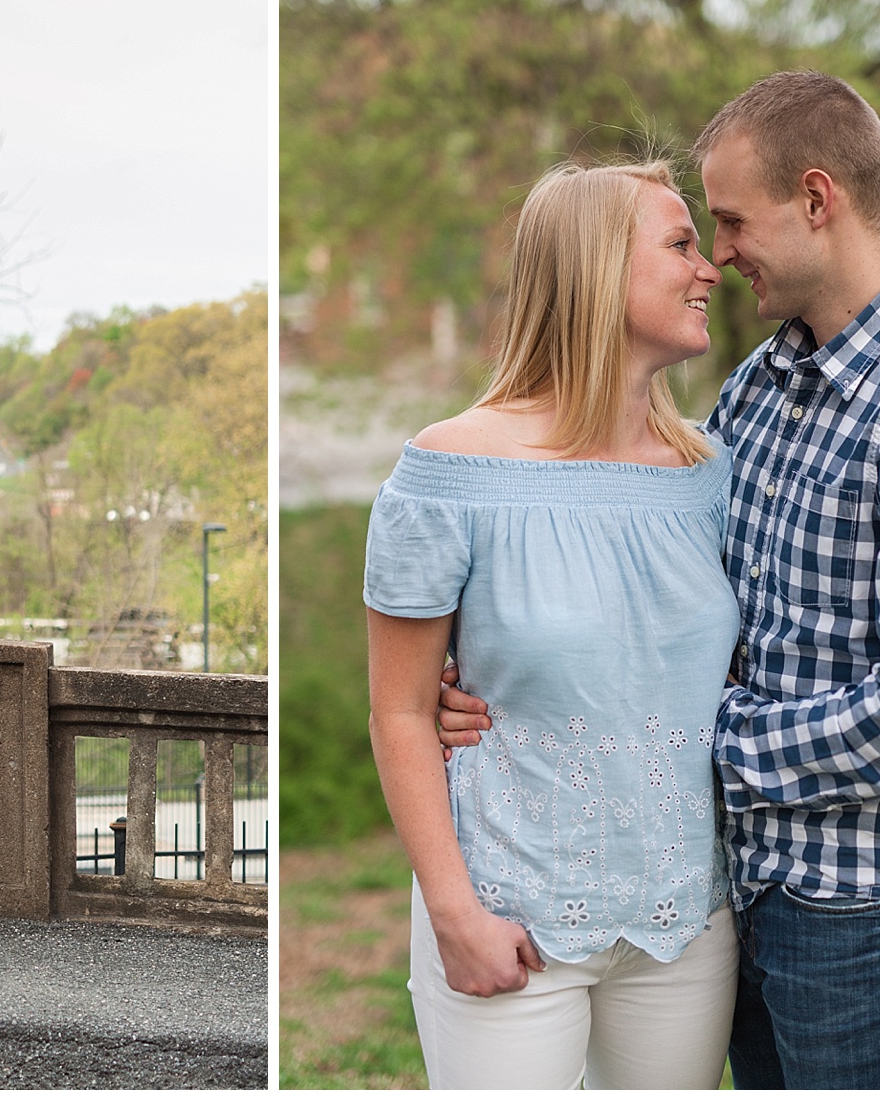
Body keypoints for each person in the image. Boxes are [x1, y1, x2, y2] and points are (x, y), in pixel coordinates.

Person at [440, 71, 880, 1088]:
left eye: (729, 221)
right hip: (746, 883)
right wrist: (507, 680)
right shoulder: (763, 387)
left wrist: (689, 735)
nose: (719, 255)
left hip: (872, 904)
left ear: (818, 200)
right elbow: (673, 605)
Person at [366, 159, 739, 1089]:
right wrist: (456, 916)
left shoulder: (711, 476)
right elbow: (402, 711)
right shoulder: (447, 472)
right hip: (507, 912)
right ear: (596, 269)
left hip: (686, 921)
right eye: (681, 244)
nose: (711, 268)